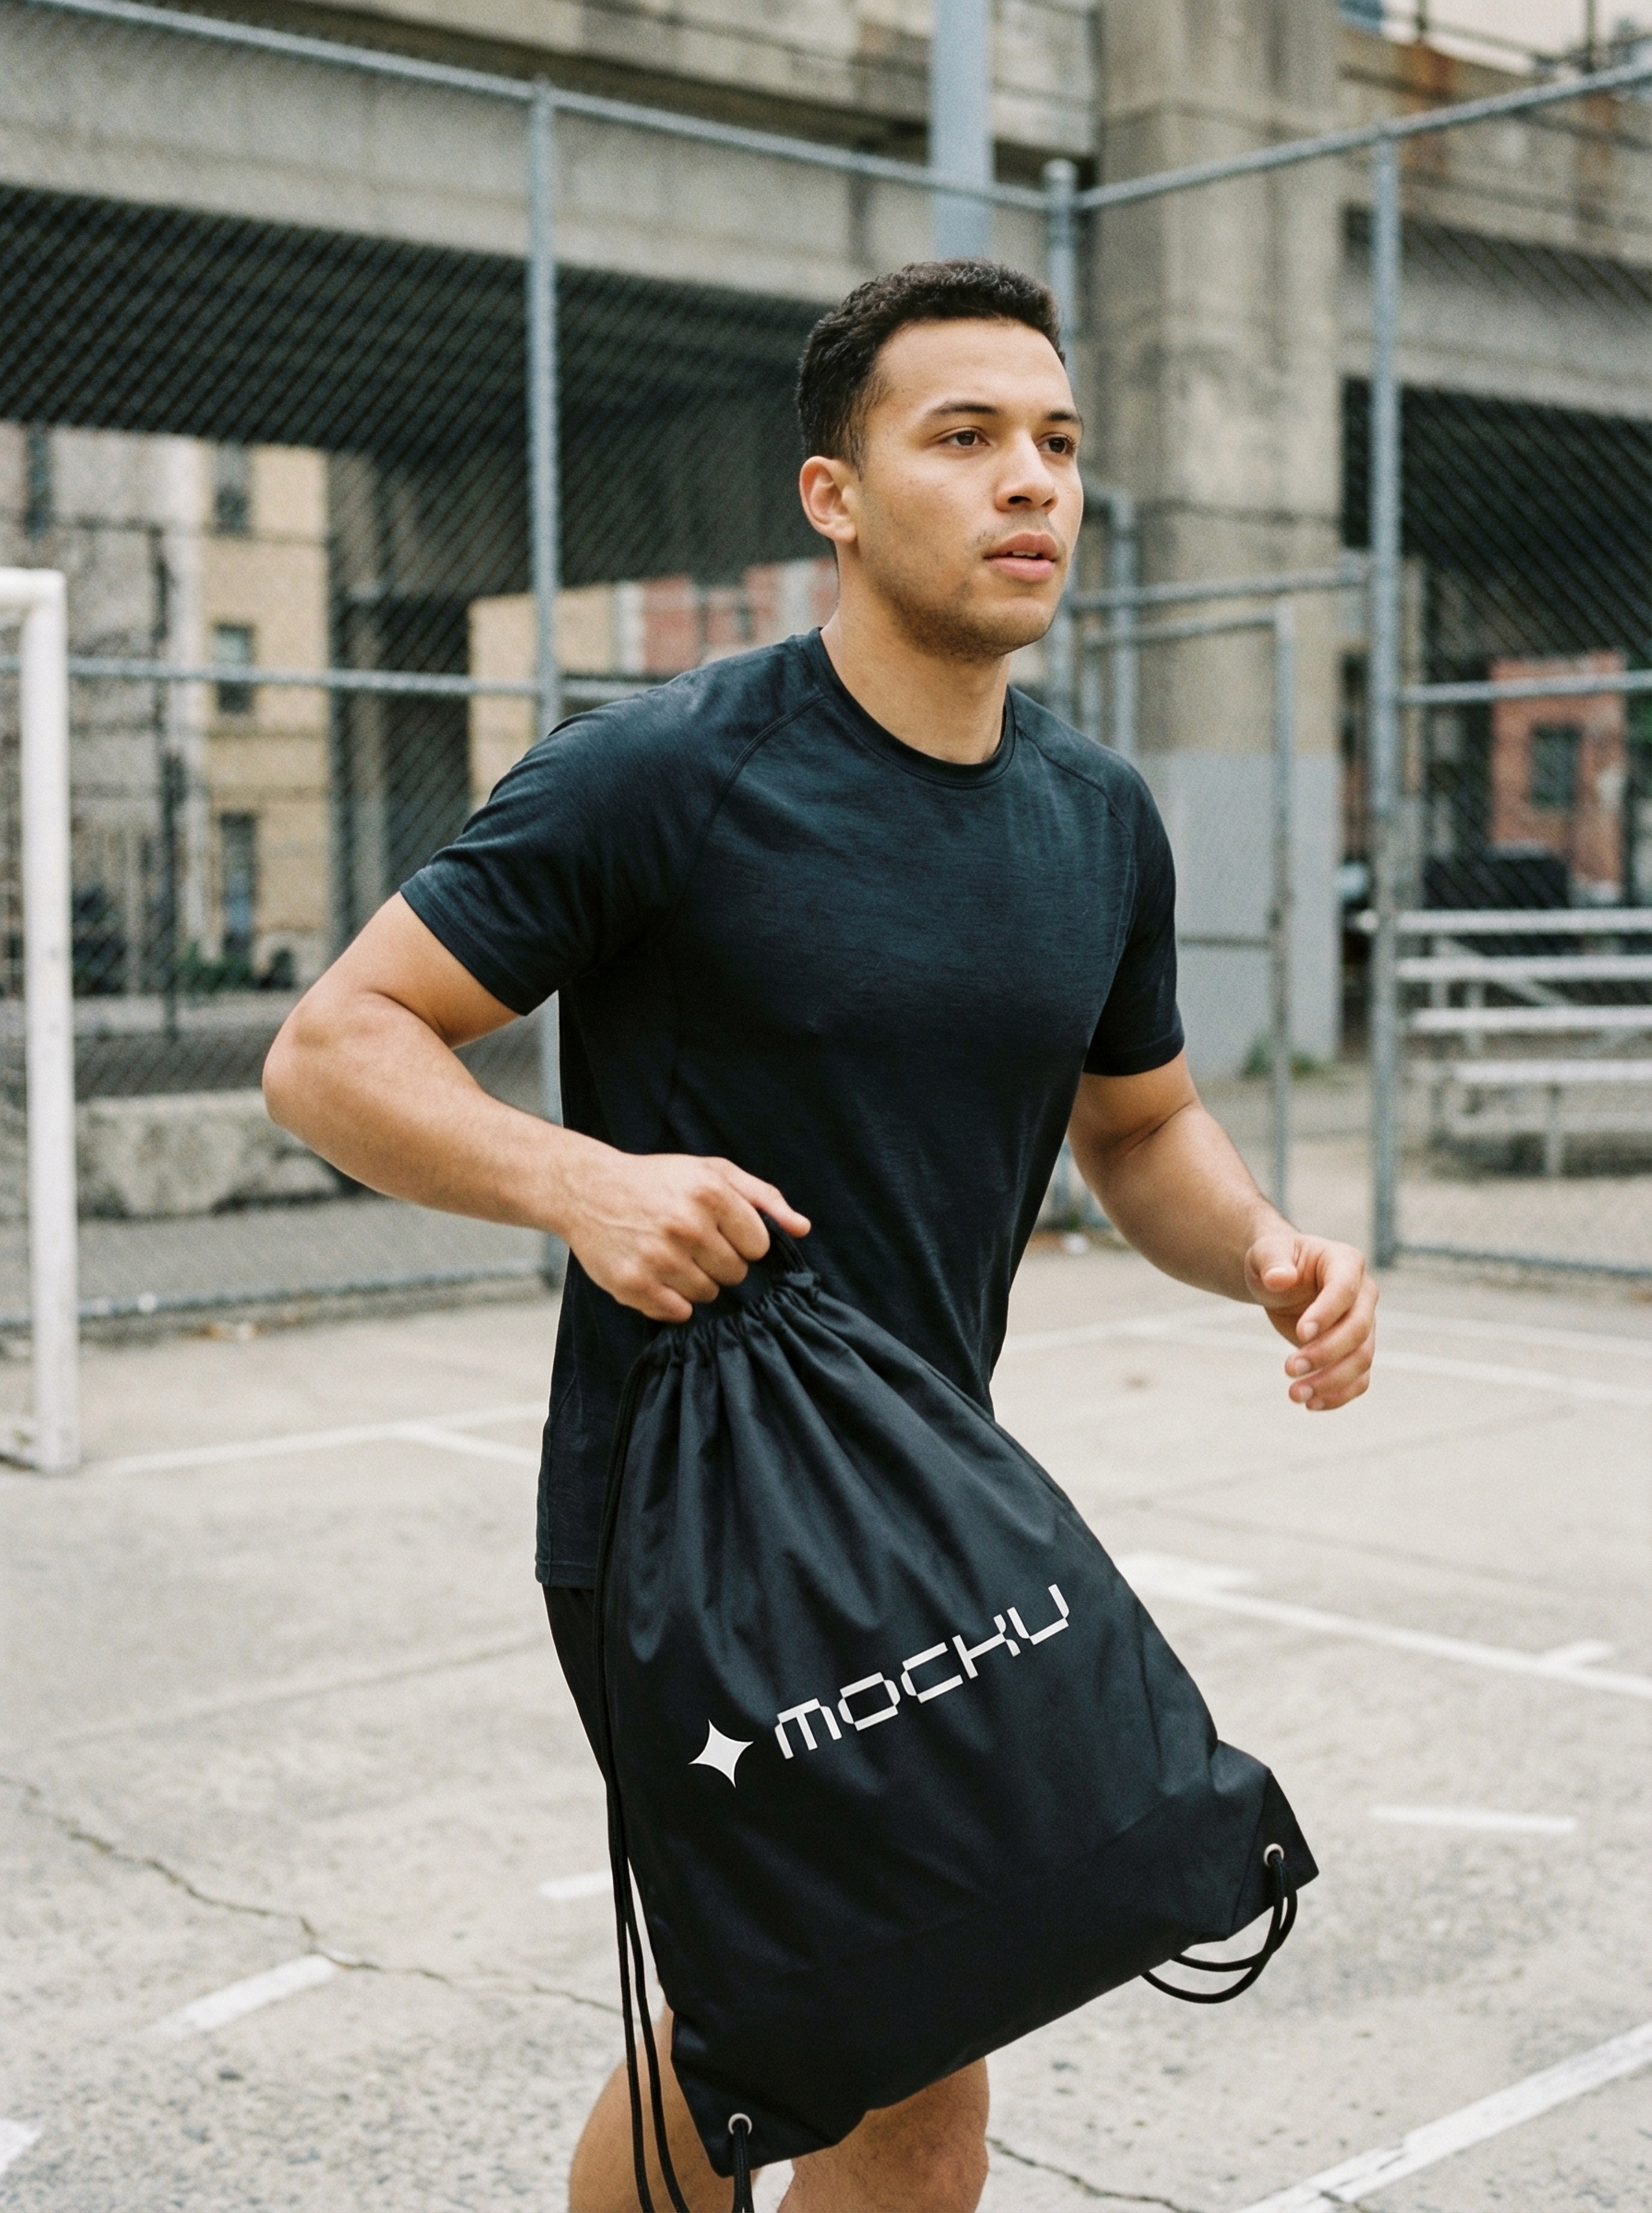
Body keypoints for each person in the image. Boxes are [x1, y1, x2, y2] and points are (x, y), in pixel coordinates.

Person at [265, 258, 1377, 2213]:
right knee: (843, 2054)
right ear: (833, 497)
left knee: (842, 2049)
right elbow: (334, 1049)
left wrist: (1268, 1252)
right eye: (961, 438)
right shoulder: (668, 773)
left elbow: (1139, 1127)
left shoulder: (1095, 817)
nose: (1026, 481)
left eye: (1053, 442)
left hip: (931, 1491)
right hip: (691, 1512)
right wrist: (578, 1180)